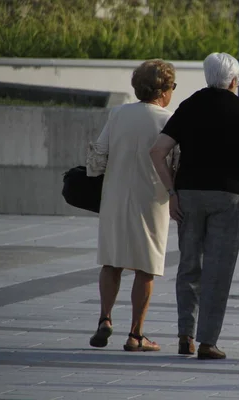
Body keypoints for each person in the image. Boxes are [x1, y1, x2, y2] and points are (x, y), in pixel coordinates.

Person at [150, 52, 239, 360]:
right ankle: (207, 342)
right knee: (218, 269)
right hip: (229, 196)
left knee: (189, 264)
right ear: (233, 81)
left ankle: (185, 336)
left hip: (188, 193)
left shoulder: (189, 106)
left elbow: (158, 151)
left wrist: (172, 190)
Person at [87, 59, 177, 352]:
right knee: (145, 267)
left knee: (111, 261)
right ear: (163, 90)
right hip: (151, 198)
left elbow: (98, 156)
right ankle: (136, 334)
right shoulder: (168, 120)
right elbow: (176, 162)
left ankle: (105, 318)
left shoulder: (118, 114)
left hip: (115, 194)